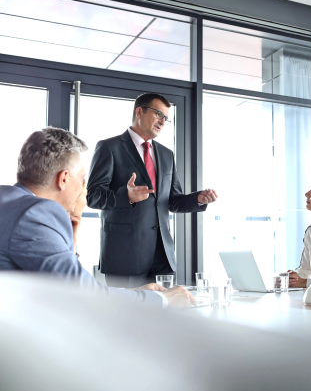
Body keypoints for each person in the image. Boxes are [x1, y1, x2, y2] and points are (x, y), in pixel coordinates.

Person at [0, 127, 195, 309]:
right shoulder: (36, 215)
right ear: (64, 179)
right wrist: (163, 299)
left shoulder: (8, 200)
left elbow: (61, 282)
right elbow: (81, 295)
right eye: (83, 178)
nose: (84, 186)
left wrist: (72, 243)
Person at [87, 93, 218, 288]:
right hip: (125, 256)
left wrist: (198, 199)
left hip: (162, 256)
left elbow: (172, 201)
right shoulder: (109, 147)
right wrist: (126, 196)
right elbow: (93, 196)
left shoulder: (166, 154)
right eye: (158, 114)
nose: (162, 121)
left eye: (165, 117)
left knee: (160, 314)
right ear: (139, 111)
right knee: (126, 316)